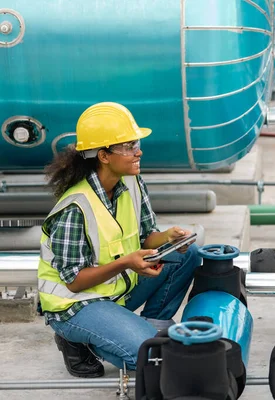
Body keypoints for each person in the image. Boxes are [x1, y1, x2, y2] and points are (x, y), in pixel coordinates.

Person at [38, 102, 201, 377]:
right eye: (128, 146)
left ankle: (151, 325)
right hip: (76, 305)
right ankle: (79, 340)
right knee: (153, 357)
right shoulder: (74, 209)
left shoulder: (131, 182)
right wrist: (127, 262)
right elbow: (75, 282)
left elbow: (146, 237)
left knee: (188, 254)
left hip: (117, 291)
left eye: (135, 143)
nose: (138, 151)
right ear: (103, 155)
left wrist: (168, 238)